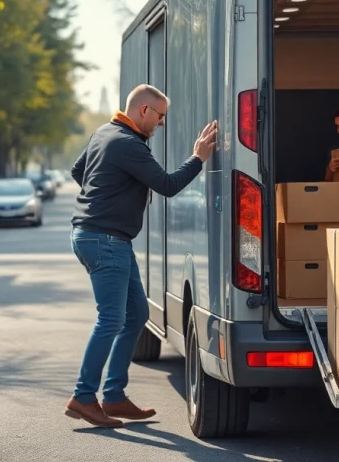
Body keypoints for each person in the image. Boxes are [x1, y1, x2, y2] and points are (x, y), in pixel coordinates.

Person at [66, 84, 218, 428]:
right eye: (160, 115)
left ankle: (115, 396)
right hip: (104, 239)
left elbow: (80, 172)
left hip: (102, 237)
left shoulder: (103, 133)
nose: (162, 122)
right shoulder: (128, 144)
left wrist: (110, 192)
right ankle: (84, 396)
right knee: (111, 320)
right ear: (144, 111)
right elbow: (167, 184)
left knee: (136, 314)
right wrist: (198, 157)